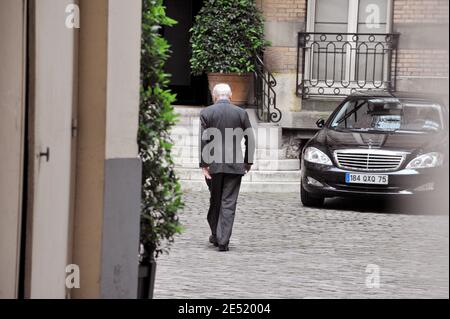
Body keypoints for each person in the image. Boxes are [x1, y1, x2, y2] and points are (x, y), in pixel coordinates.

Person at [199, 83, 255, 252]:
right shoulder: (241, 113)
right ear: (230, 96)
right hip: (234, 164)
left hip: (214, 164)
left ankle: (217, 235)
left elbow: (203, 140)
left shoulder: (206, 113)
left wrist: (204, 164)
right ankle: (222, 240)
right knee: (228, 202)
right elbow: (250, 138)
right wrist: (248, 161)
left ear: (214, 96)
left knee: (215, 200)